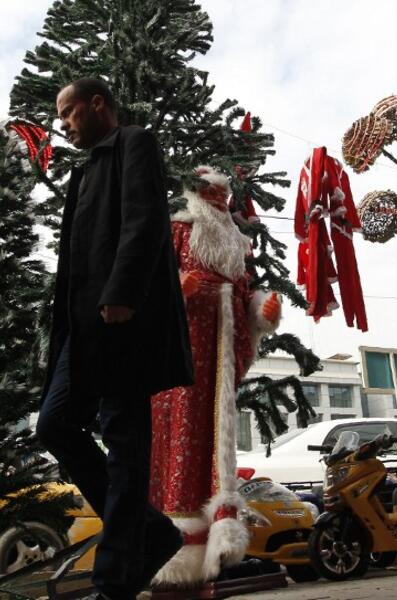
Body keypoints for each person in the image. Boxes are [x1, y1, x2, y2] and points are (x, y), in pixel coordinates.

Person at [35, 78, 193, 600]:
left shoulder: (134, 142)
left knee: (125, 444)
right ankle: (149, 532)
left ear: (97, 103)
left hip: (123, 324)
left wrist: (121, 291)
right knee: (55, 424)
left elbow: (145, 219)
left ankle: (116, 580)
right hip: (81, 333)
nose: (63, 123)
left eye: (68, 111)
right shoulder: (84, 172)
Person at [149, 166, 282, 585]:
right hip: (183, 351)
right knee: (181, 439)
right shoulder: (177, 229)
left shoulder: (236, 245)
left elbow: (246, 294)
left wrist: (261, 310)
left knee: (216, 440)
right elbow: (149, 281)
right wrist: (175, 290)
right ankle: (177, 547)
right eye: (210, 196)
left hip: (222, 348)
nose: (218, 204)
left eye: (222, 198)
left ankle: (215, 542)